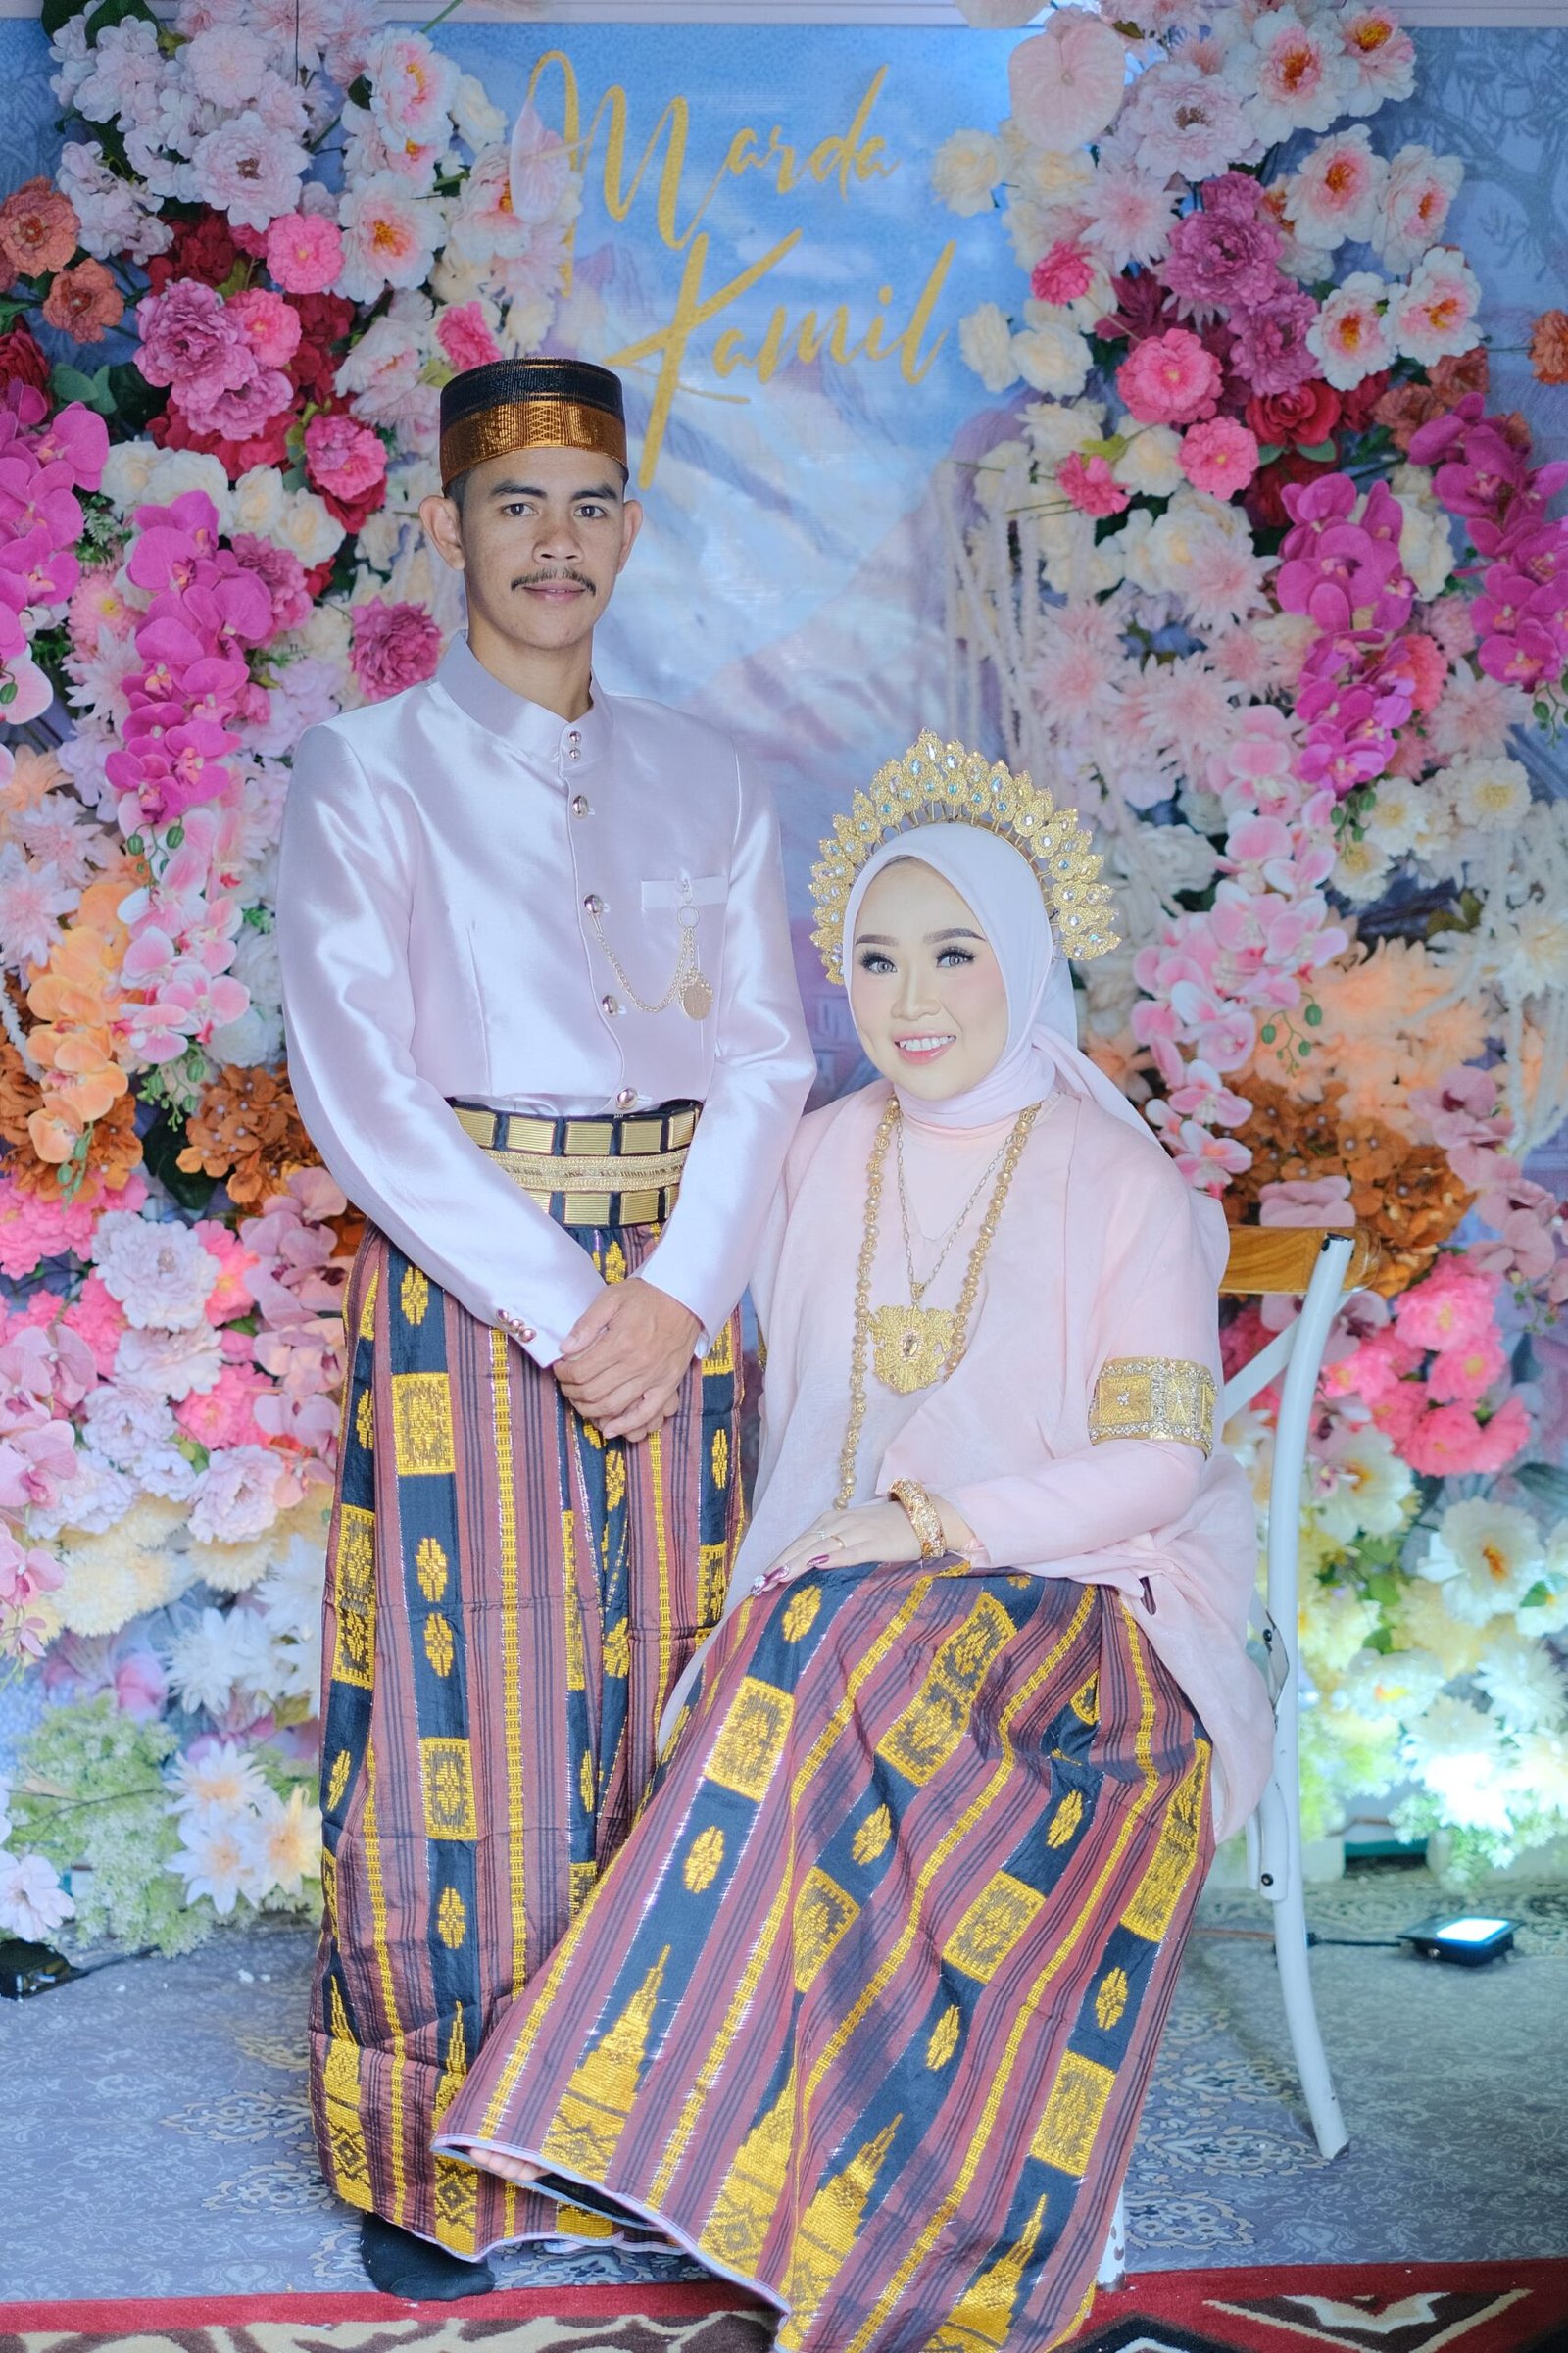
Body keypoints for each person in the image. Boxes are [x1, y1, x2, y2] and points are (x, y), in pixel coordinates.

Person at [430, 734, 1275, 2348]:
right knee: (814, 1633)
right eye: (876, 961)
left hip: (1092, 1612)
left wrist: (928, 1520)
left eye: (954, 953)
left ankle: (875, 2194)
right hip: (858, 1598)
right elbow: (686, 1320)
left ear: (1023, 957)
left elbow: (1161, 1463)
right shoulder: (821, 1147)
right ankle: (691, 2139)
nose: (913, 999)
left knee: (833, 1636)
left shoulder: (1121, 1179)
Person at [276, 357, 813, 2298]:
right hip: (469, 1279)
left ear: (630, 530)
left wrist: (676, 1291)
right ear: (450, 526)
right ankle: (438, 2157)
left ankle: (653, 2128)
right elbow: (357, 1081)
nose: (556, 540)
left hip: (682, 1273)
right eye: (518, 504)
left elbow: (765, 1053)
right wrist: (574, 1303)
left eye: (591, 502)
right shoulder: (365, 770)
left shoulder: (711, 780)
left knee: (679, 1683)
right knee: (466, 1702)